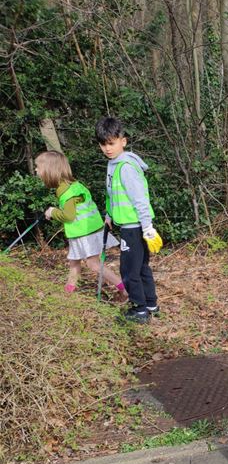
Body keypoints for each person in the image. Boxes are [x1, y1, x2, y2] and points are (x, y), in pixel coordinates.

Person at [95, 117, 161, 324]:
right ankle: (151, 304)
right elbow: (112, 194)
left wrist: (147, 227)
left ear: (123, 141)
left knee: (129, 270)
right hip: (128, 225)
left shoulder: (125, 167)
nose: (107, 148)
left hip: (134, 228)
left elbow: (140, 198)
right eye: (104, 144)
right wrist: (109, 215)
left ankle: (140, 309)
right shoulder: (113, 165)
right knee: (141, 267)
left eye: (112, 143)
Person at [36, 151, 126, 297]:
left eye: (38, 167)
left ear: (49, 169)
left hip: (85, 232)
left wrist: (52, 212)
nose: (36, 170)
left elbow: (69, 216)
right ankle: (68, 293)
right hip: (85, 230)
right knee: (74, 263)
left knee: (93, 264)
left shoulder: (67, 192)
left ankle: (124, 288)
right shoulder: (71, 186)